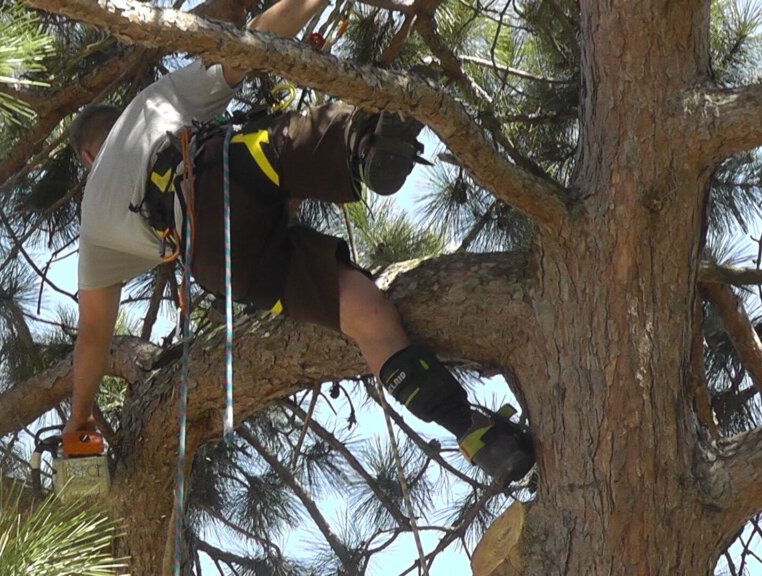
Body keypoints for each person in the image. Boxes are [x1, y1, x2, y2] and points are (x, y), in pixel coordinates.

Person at [64, 0, 535, 485]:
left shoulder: (93, 226)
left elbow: (94, 336)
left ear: (86, 156)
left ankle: (471, 431)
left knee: (359, 315)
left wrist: (80, 421)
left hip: (218, 261)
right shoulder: (147, 107)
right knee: (294, 143)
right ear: (112, 122)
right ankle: (367, 143)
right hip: (215, 171)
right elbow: (247, 46)